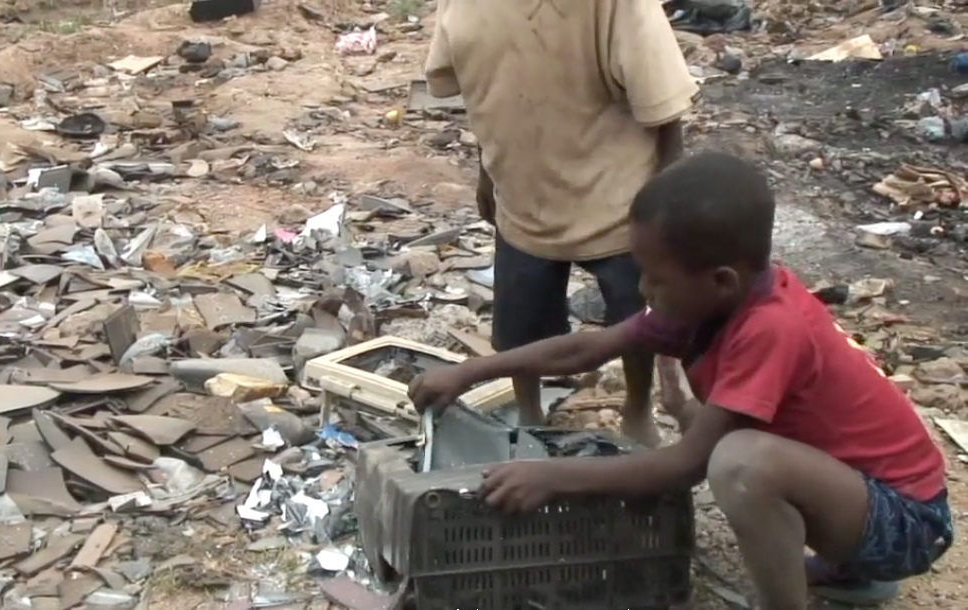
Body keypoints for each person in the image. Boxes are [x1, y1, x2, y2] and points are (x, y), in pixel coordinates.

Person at [408, 153, 953, 610]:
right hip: (863, 504)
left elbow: (683, 466)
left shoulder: (772, 328)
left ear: (721, 281)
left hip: (908, 521)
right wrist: (470, 371)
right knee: (740, 453)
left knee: (740, 462)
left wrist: (554, 477)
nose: (644, 289)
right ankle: (849, 570)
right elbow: (587, 347)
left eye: (656, 277)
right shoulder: (711, 301)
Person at [426, 0, 699, 442]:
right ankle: (529, 412)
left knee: (637, 319)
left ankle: (636, 409)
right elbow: (483, 89)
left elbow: (666, 109)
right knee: (520, 320)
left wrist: (665, 202)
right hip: (523, 189)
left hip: (617, 198)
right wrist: (486, 170)